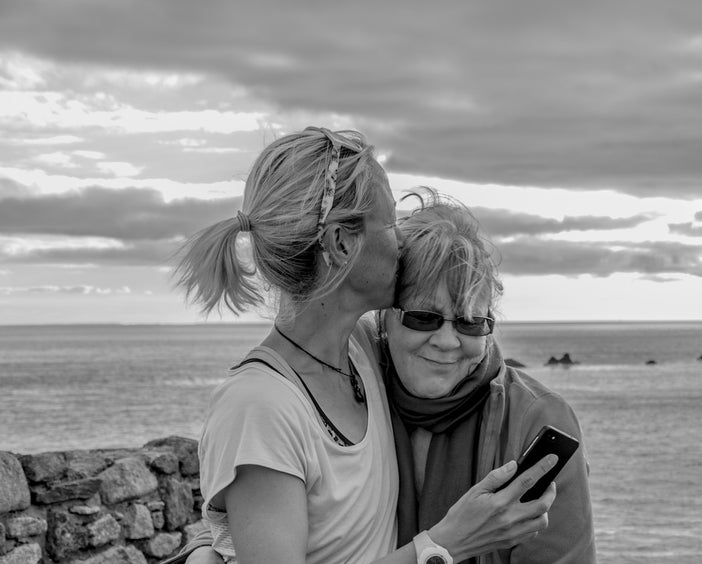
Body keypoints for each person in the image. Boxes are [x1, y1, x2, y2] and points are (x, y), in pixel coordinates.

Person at [169, 127, 557, 564]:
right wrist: (444, 543)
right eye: (390, 223)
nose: (403, 240)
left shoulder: (362, 351)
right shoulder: (260, 406)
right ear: (340, 243)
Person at [376, 190, 597, 564]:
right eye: (423, 317)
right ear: (385, 316)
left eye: (470, 322)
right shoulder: (353, 393)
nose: (447, 342)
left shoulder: (537, 420)